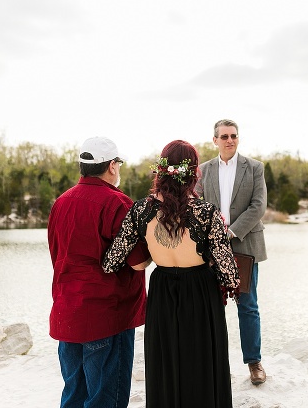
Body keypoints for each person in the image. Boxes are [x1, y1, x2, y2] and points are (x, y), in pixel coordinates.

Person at [103, 140, 240, 408]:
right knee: (201, 362)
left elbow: (112, 261)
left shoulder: (140, 209)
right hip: (200, 293)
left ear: (162, 170)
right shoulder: (206, 212)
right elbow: (231, 276)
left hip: (163, 290)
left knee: (164, 363)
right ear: (194, 172)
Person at [48, 136, 150, 408]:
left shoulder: (61, 203)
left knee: (74, 396)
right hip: (106, 317)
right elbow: (138, 262)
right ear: (113, 166)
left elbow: (57, 257)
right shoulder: (118, 203)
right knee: (106, 400)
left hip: (67, 314)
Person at [195, 119, 268, 386]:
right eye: (224, 136)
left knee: (248, 307)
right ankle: (214, 363)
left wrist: (231, 232)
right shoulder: (202, 171)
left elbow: (258, 206)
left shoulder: (255, 168)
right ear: (214, 140)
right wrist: (214, 236)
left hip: (245, 245)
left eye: (234, 136)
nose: (230, 140)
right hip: (212, 250)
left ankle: (254, 363)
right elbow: (197, 206)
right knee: (212, 308)